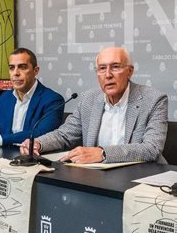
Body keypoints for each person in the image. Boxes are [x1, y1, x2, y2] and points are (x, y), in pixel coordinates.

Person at [19, 47, 168, 164]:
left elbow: (151, 148)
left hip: (140, 177)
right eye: (102, 68)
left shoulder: (153, 99)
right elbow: (64, 135)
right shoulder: (88, 99)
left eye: (115, 67)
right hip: (96, 177)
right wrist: (38, 143)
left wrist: (102, 153)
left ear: (130, 71)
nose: (108, 75)